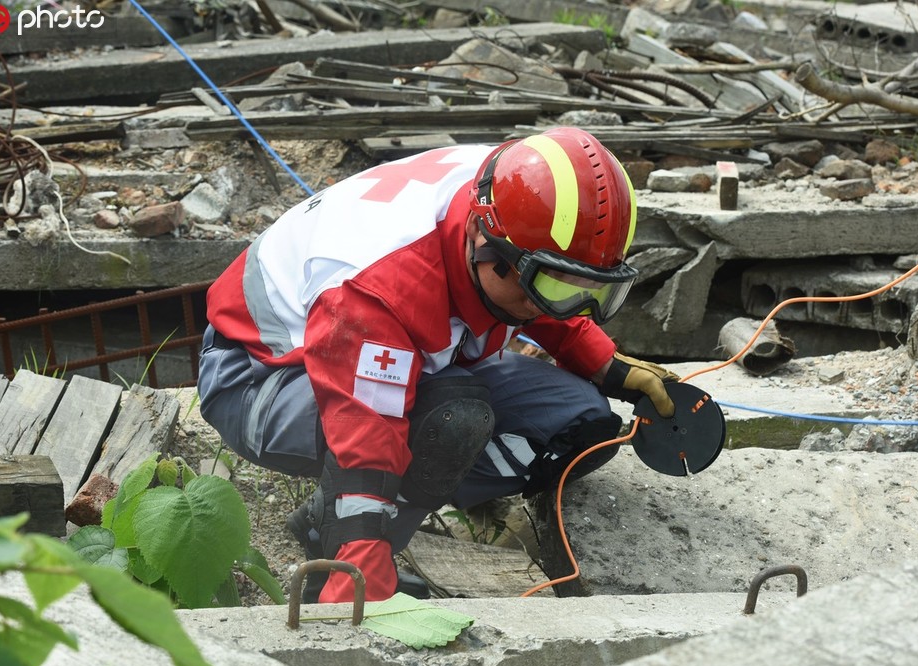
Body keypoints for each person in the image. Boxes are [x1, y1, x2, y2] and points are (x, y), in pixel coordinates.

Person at [197, 126, 680, 604]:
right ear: (480, 239)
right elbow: (366, 437)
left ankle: (330, 514)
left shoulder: (524, 189)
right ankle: (346, 555)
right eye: (552, 288)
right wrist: (359, 577)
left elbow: (545, 280)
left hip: (408, 348)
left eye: (588, 289)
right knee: (448, 422)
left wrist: (607, 365)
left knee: (581, 423)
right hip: (260, 377)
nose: (565, 303)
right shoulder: (378, 288)